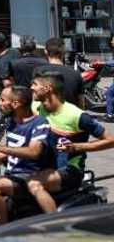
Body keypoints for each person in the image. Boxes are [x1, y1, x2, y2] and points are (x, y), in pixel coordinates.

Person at [29, 72, 114, 213]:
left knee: (32, 184)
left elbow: (110, 140)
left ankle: (51, 223)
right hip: (40, 166)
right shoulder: (34, 108)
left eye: (35, 85)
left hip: (68, 170)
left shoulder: (76, 115)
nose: (31, 88)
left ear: (48, 88)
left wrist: (75, 147)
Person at [0, 86, 50, 225]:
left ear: (16, 104)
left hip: (30, 176)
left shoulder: (39, 123)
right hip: (12, 175)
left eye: (3, 100)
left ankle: (4, 231)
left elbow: (34, 152)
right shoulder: (11, 122)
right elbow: (9, 150)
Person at [33, 37, 83, 105]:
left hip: (45, 114)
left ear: (45, 51)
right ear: (64, 52)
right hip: (70, 114)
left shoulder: (38, 71)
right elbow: (81, 103)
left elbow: (35, 98)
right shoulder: (75, 74)